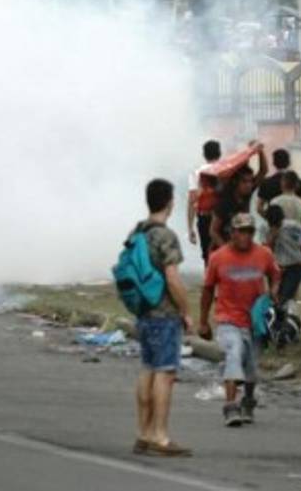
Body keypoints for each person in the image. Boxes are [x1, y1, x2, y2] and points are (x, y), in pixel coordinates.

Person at [199, 213, 281, 427]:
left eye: (249, 231)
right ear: (232, 233)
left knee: (252, 367)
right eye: (241, 231)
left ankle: (248, 400)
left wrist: (273, 291)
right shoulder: (218, 257)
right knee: (233, 354)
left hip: (254, 320)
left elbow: (275, 274)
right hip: (228, 318)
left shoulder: (264, 254)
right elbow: (208, 289)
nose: (245, 236)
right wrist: (203, 321)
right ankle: (230, 407)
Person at [131, 179, 193, 457]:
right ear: (169, 202)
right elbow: (172, 277)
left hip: (143, 311)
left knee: (147, 369)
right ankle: (161, 435)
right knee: (165, 373)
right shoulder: (165, 236)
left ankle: (143, 432)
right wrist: (185, 311)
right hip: (164, 314)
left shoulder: (138, 232)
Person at [210, 144, 268, 247]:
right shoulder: (225, 201)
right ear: (236, 182)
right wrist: (227, 251)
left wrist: (260, 152)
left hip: (243, 245)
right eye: (244, 182)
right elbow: (213, 231)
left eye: (250, 182)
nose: (249, 185)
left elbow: (263, 171)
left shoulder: (247, 193)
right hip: (224, 246)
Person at [188, 140, 222, 263]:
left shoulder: (196, 172)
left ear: (204, 154)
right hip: (223, 218)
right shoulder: (226, 169)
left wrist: (190, 228)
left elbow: (191, 201)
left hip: (204, 217)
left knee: (208, 255)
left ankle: (210, 278)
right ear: (219, 153)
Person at [265, 203, 301, 308]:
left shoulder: (293, 226)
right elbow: (266, 250)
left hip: (293, 267)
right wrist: (272, 236)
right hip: (276, 268)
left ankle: (286, 320)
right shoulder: (266, 229)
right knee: (275, 298)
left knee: (284, 299)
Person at [256, 148, 301, 216]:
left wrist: (270, 219)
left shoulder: (267, 183)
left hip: (274, 225)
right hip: (296, 223)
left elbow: (259, 207)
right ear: (289, 162)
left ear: (273, 163)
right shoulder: (298, 181)